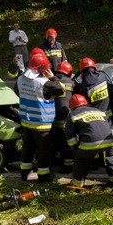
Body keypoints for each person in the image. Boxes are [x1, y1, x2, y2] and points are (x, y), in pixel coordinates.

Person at [16, 52, 65, 182]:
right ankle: (43, 176)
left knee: (27, 149)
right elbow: (61, 90)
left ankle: (24, 174)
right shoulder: (45, 83)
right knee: (43, 151)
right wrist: (53, 77)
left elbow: (17, 92)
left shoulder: (20, 79)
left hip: (26, 122)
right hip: (41, 125)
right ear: (43, 69)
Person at [65, 94, 113, 189]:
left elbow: (70, 137)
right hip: (108, 140)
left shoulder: (72, 115)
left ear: (72, 106)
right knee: (111, 158)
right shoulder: (99, 111)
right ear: (85, 103)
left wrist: (76, 147)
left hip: (89, 143)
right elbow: (110, 125)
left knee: (81, 161)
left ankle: (77, 185)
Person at [52, 61, 75, 172]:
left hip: (51, 118)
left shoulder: (50, 80)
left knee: (56, 142)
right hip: (66, 117)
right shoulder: (71, 82)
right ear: (69, 72)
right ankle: (68, 166)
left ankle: (56, 161)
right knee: (67, 143)